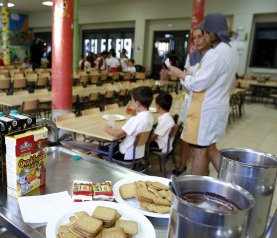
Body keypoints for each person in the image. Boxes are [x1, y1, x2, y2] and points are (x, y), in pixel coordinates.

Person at [168, 13, 238, 175]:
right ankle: (232, 182)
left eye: (205, 33)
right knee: (211, 149)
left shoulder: (215, 54)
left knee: (200, 151)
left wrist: (180, 74)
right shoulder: (231, 50)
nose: (204, 37)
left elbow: (198, 84)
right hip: (218, 106)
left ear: (212, 32)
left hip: (205, 111)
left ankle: (194, 193)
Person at [173, 25, 210, 176]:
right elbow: (185, 75)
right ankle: (182, 165)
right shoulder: (191, 56)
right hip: (190, 100)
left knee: (203, 142)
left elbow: (203, 82)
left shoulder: (211, 57)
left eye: (199, 37)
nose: (196, 41)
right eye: (194, 38)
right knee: (185, 134)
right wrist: (185, 83)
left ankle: (202, 170)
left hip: (204, 103)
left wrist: (189, 82)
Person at [101, 86, 154, 161]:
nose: (131, 103)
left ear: (137, 103)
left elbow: (117, 134)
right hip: (138, 154)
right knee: (102, 146)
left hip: (125, 154)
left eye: (132, 101)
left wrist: (106, 128)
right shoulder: (149, 116)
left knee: (96, 149)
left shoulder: (136, 119)